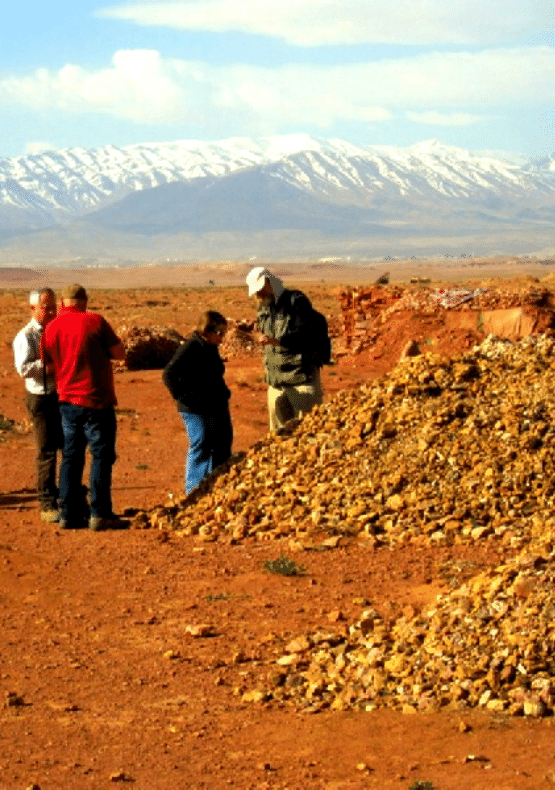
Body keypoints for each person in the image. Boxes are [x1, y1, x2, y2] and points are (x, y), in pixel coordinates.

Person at [41, 284, 126, 530]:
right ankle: (100, 513)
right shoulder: (95, 321)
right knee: (101, 455)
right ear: (83, 301)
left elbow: (48, 366)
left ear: (63, 303)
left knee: (71, 456)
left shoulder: (51, 327)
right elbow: (119, 353)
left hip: (66, 401)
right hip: (96, 401)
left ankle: (68, 513)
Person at [246, 267, 324, 432]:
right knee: (278, 438)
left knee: (307, 432)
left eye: (259, 290)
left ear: (269, 283)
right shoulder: (263, 308)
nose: (257, 296)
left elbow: (304, 334)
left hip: (300, 379)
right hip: (276, 382)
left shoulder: (296, 302)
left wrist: (277, 341)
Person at [163, 310, 232, 494]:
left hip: (213, 404)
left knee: (221, 442)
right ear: (207, 330)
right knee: (201, 442)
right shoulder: (191, 347)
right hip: (194, 407)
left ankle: (216, 485)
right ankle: (194, 490)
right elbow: (169, 374)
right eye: (219, 333)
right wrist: (185, 397)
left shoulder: (210, 347)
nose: (222, 338)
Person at [13, 288, 63, 522]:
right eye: (46, 307)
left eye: (54, 307)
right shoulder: (26, 336)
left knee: (67, 447)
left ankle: (66, 495)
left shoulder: (57, 330)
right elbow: (24, 368)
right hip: (40, 397)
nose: (52, 311)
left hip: (60, 395)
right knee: (46, 451)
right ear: (33, 308)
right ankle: (46, 503)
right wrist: (51, 367)